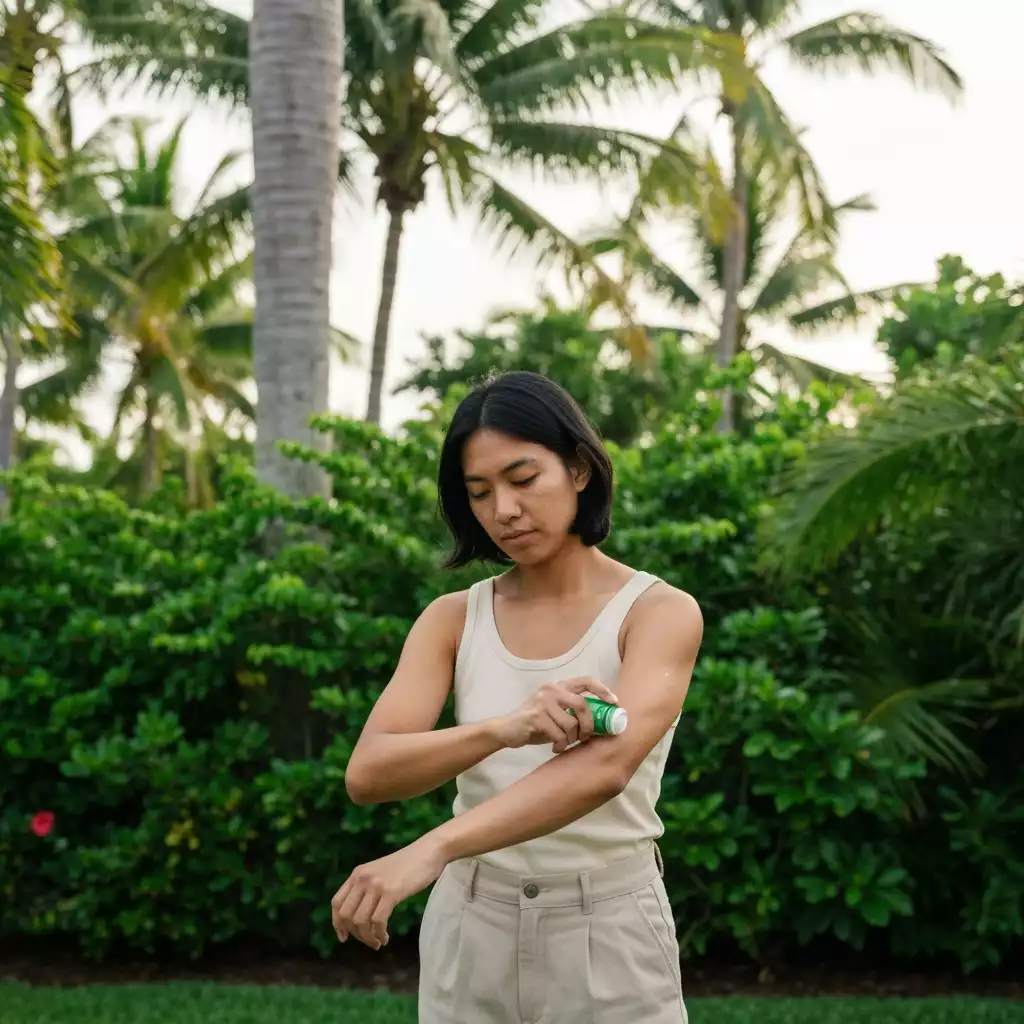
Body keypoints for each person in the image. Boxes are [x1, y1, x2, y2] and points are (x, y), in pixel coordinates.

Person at [331, 371, 703, 1023]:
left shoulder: (658, 613)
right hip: (472, 926)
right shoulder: (451, 620)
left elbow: (605, 769)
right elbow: (370, 772)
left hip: (610, 927)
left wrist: (433, 847)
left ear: (580, 468)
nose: (503, 509)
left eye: (523, 479)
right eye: (480, 493)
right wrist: (507, 729)